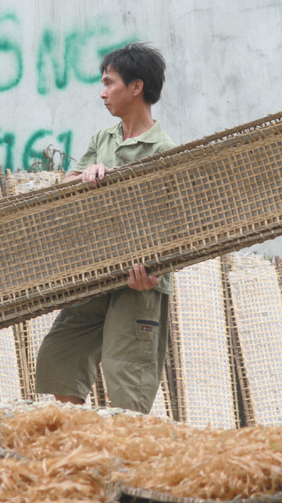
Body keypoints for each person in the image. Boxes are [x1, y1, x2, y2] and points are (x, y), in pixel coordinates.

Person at [34, 42, 176, 414]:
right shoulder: (103, 140)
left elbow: (175, 224)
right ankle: (78, 435)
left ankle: (127, 447)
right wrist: (87, 176)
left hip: (136, 281)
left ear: (136, 87)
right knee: (60, 355)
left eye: (109, 83)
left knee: (126, 372)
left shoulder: (164, 151)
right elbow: (66, 186)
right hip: (95, 270)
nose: (102, 92)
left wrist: (156, 271)